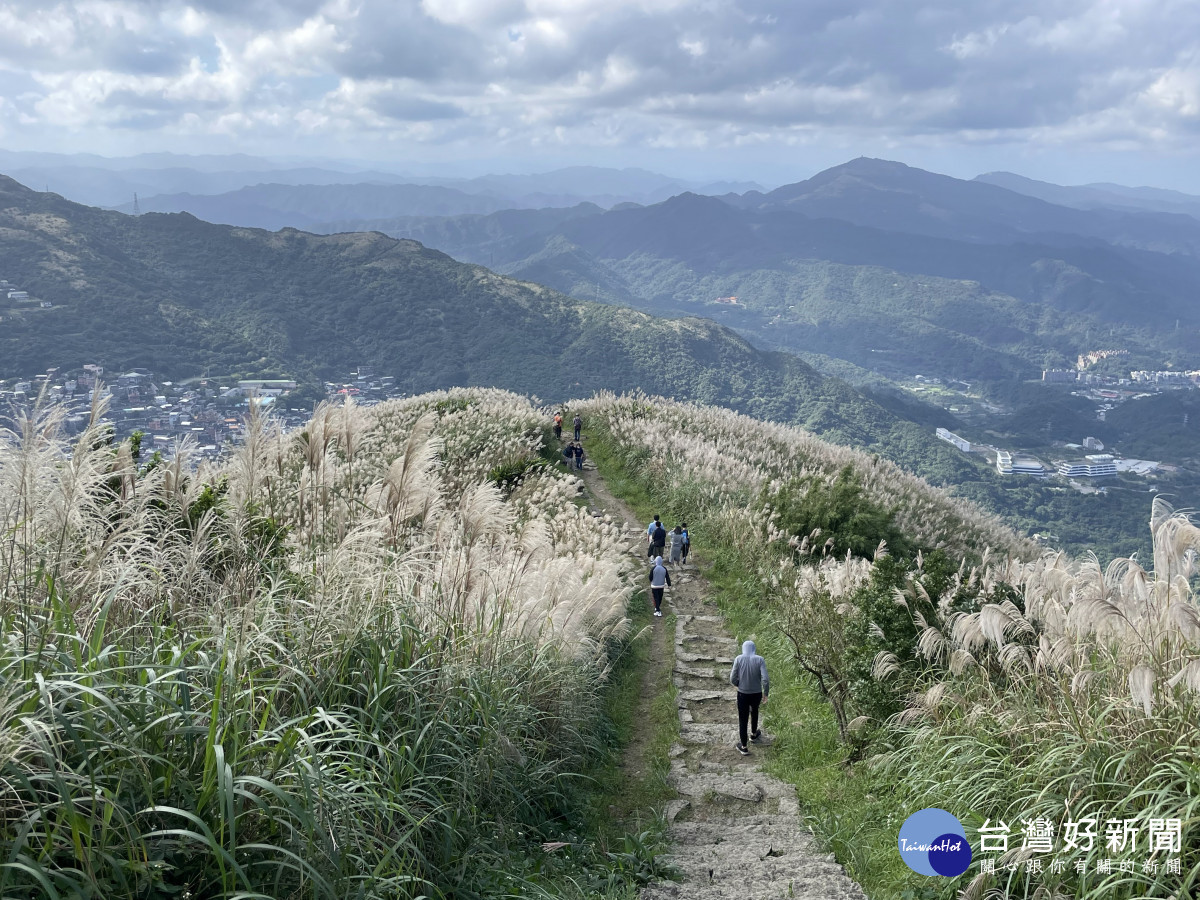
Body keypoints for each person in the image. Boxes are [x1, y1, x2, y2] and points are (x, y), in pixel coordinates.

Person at [729, 640, 769, 755]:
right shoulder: (760, 659)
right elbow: (765, 679)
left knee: (743, 718)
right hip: (756, 693)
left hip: (742, 693)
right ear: (754, 648)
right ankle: (753, 734)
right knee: (755, 711)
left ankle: (744, 746)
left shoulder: (738, 659)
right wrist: (765, 693)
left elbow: (732, 677)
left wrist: (738, 684)